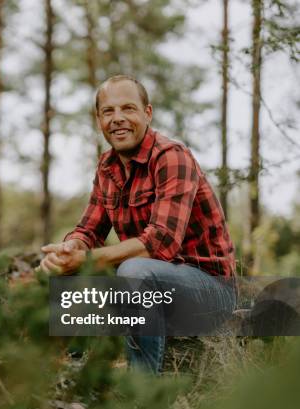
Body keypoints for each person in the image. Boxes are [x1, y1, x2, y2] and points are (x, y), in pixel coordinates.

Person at [39, 75, 236, 373]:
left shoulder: (172, 157)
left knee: (133, 271)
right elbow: (89, 230)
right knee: (65, 275)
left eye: (128, 108)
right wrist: (70, 249)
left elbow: (160, 244)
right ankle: (80, 379)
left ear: (148, 113)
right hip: (153, 284)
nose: (118, 119)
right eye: (108, 111)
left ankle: (142, 398)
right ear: (99, 119)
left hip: (209, 289)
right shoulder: (107, 167)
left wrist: (87, 258)